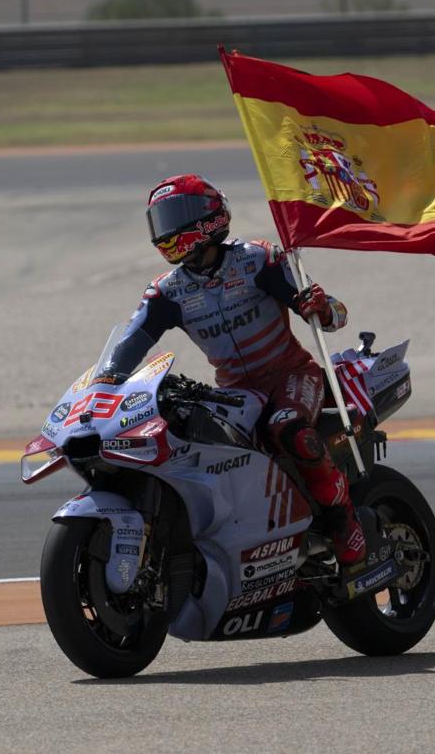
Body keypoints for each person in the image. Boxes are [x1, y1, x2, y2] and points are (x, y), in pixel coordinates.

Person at [97, 173, 367, 566]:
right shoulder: (166, 292)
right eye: (161, 221)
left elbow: (335, 317)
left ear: (209, 217)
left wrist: (322, 307)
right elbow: (133, 341)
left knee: (287, 427)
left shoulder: (260, 259)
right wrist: (106, 379)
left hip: (292, 374)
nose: (167, 230)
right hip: (235, 391)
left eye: (177, 215)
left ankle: (345, 522)